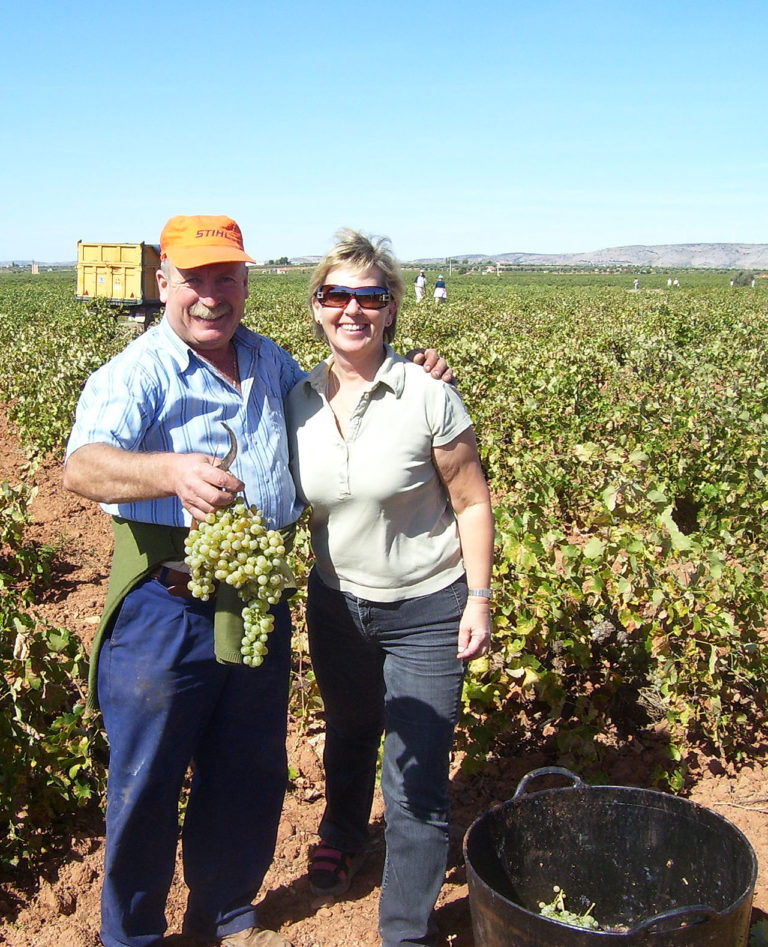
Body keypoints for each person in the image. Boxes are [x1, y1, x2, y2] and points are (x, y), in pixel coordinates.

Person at [63, 215, 450, 947]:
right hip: (164, 603)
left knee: (247, 768)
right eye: (194, 279)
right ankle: (134, 934)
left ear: (246, 284)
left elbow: (349, 390)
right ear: (163, 283)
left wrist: (414, 372)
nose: (210, 296)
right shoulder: (138, 372)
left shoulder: (270, 363)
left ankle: (227, 910)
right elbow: (82, 466)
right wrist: (168, 470)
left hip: (257, 598)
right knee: (146, 781)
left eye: (225, 278)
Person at [285, 229, 494, 947]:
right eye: (336, 294)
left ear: (391, 308)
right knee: (347, 725)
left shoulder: (429, 393)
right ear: (315, 306)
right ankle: (343, 830)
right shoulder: (296, 400)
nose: (352, 309)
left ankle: (404, 929)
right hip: (336, 602)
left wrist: (478, 597)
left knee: (417, 773)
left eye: (369, 296)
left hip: (428, 609)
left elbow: (472, 500)